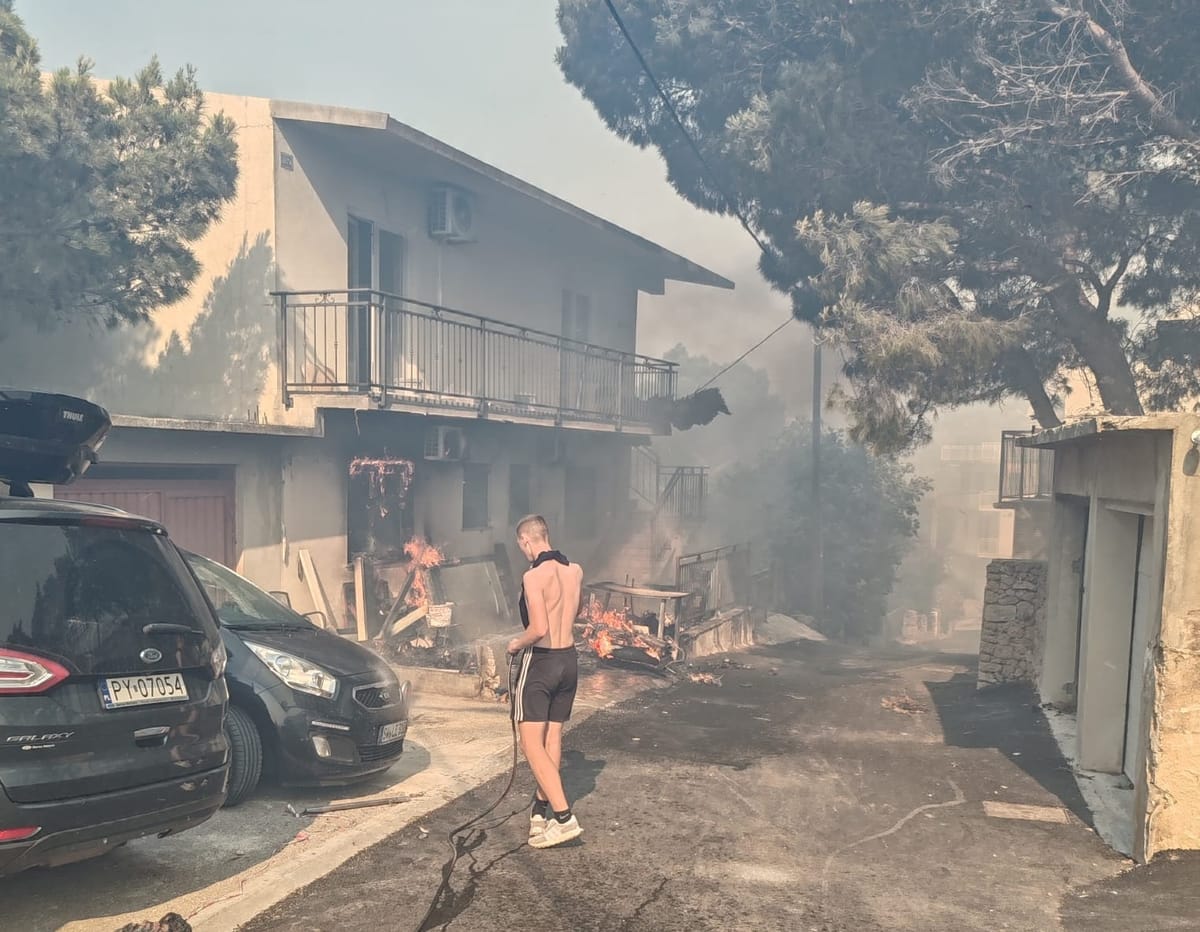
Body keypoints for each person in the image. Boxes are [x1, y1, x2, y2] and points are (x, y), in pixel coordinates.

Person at [506, 514, 584, 849]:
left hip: (542, 663)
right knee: (552, 736)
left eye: (521, 545)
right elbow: (572, 614)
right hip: (569, 661)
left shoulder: (533, 576)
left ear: (526, 541)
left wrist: (515, 644)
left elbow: (538, 628)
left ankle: (564, 818)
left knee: (530, 743)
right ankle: (540, 813)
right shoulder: (575, 571)